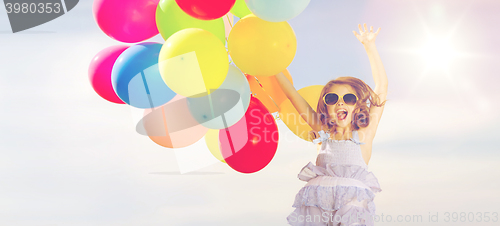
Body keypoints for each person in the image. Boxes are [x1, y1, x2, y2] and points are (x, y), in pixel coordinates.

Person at [275, 23, 388, 226]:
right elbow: (293, 95)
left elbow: (381, 89)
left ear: (357, 107)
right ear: (325, 107)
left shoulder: (364, 134)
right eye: (333, 98)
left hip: (352, 202)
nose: (341, 102)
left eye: (349, 98)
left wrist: (370, 47)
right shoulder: (322, 130)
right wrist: (273, 69)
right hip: (317, 199)